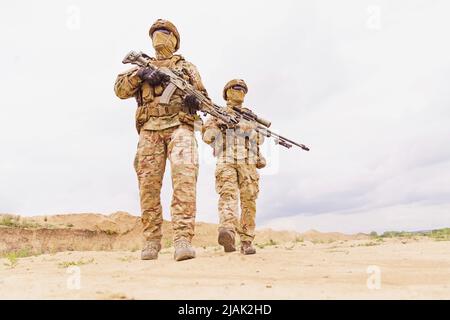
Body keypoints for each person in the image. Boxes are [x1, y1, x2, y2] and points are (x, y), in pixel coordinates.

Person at [114, 19, 208, 262]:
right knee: (148, 187)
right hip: (150, 130)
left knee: (185, 180)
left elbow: (204, 98)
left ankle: (182, 239)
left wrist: (194, 102)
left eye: (166, 33)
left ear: (175, 40)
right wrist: (140, 75)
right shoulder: (141, 66)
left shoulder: (188, 68)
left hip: (181, 127)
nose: (161, 36)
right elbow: (120, 90)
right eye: (156, 33)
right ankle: (151, 240)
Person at [202, 79, 266, 255]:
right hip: (226, 158)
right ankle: (227, 231)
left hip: (248, 161)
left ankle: (246, 240)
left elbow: (261, 138)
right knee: (227, 194)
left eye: (243, 89)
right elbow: (207, 137)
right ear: (227, 92)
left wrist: (246, 129)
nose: (240, 91)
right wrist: (223, 124)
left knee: (249, 201)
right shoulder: (216, 114)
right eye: (236, 88)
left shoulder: (250, 116)